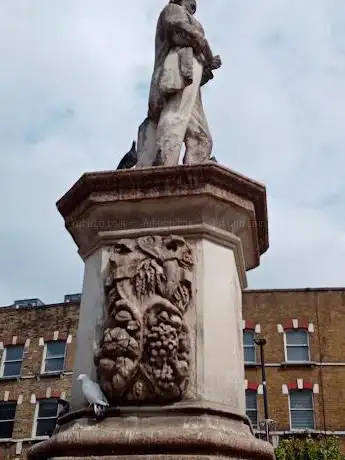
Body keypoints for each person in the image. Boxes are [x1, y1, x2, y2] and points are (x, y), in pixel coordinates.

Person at [136, 0, 222, 167]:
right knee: (175, 117)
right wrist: (207, 53)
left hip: (190, 75)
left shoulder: (181, 15)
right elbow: (183, 32)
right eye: (191, 1)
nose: (194, 4)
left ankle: (195, 181)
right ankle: (165, 167)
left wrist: (208, 64)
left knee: (201, 137)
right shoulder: (173, 9)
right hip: (177, 68)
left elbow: (197, 45)